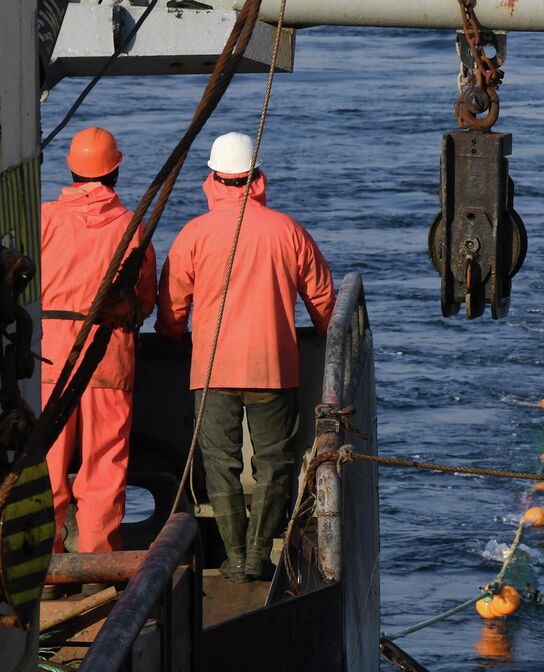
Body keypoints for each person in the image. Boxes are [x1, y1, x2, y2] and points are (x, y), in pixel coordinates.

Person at [156, 132, 335, 583]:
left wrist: (172, 334)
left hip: (212, 371)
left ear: (213, 179)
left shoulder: (194, 234)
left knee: (220, 464)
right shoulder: (287, 230)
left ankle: (233, 557)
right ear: (257, 178)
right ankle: (259, 556)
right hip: (273, 369)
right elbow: (325, 303)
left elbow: (173, 308)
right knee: (275, 463)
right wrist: (324, 330)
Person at [41, 127, 157, 558]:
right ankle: (96, 566)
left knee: (47, 466)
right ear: (116, 171)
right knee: (104, 466)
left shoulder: (44, 218)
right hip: (108, 359)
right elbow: (143, 299)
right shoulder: (132, 227)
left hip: (49, 358)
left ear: (71, 169)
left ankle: (45, 568)